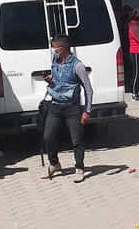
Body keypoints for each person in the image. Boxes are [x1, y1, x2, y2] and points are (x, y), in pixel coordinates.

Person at [42, 34, 93, 183]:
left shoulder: (78, 66)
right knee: (48, 136)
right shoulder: (55, 61)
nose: (53, 50)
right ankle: (54, 163)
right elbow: (57, 82)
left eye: (54, 47)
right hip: (55, 105)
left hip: (72, 108)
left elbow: (88, 89)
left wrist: (87, 111)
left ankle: (79, 168)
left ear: (63, 48)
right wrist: (50, 81)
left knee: (76, 139)